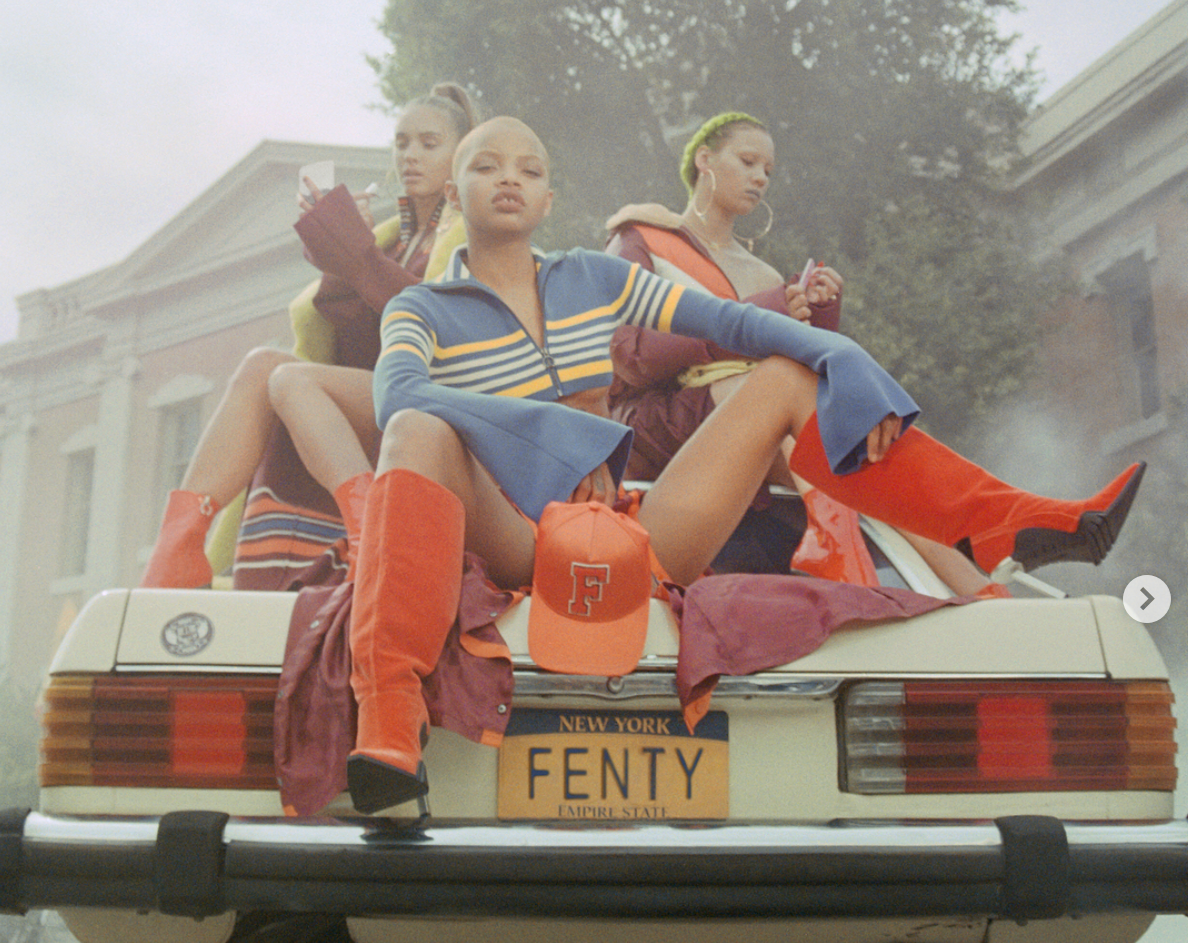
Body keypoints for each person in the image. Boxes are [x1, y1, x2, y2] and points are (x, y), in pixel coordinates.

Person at [343, 116, 1144, 815]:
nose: (509, 178)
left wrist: (843, 355)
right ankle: (389, 727)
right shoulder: (421, 308)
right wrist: (560, 443)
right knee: (416, 427)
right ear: (455, 192)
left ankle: (1014, 524)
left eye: (530, 168)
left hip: (625, 536)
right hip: (513, 536)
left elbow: (734, 324)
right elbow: (397, 395)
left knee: (789, 373)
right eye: (486, 165)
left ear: (550, 198)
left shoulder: (594, 277)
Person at [605, 111, 988, 591]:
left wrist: (819, 314)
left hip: (754, 416)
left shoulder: (763, 272)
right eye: (747, 161)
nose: (760, 178)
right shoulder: (640, 238)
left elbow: (794, 373)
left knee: (869, 454)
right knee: (787, 402)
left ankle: (985, 592)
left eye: (767, 170)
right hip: (657, 422)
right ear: (704, 159)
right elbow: (627, 354)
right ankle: (843, 551)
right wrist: (757, 313)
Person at [139, 83, 479, 590]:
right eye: (401, 142)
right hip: (370, 399)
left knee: (290, 379)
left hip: (431, 407)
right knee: (262, 365)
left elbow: (432, 323)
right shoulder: (395, 238)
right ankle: (178, 547)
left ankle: (370, 526)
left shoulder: (472, 231)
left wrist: (358, 253)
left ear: (463, 154)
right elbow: (350, 342)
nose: (410, 155)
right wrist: (337, 252)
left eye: (429, 144)